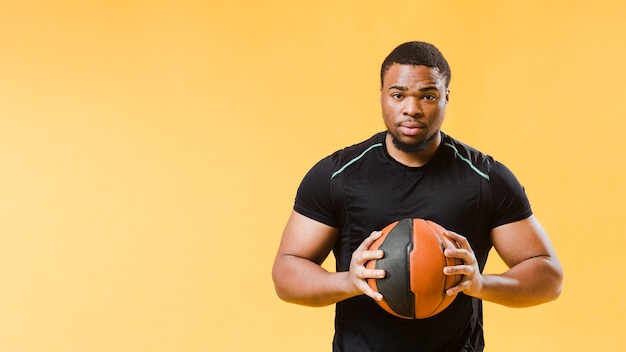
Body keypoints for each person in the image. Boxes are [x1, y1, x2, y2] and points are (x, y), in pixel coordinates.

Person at [272, 41, 563, 351]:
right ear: (382, 96)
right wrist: (348, 281)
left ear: (446, 97)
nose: (411, 109)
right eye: (398, 95)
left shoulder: (485, 179)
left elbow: (549, 277)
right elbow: (286, 273)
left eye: (427, 96)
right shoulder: (337, 176)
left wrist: (481, 284)